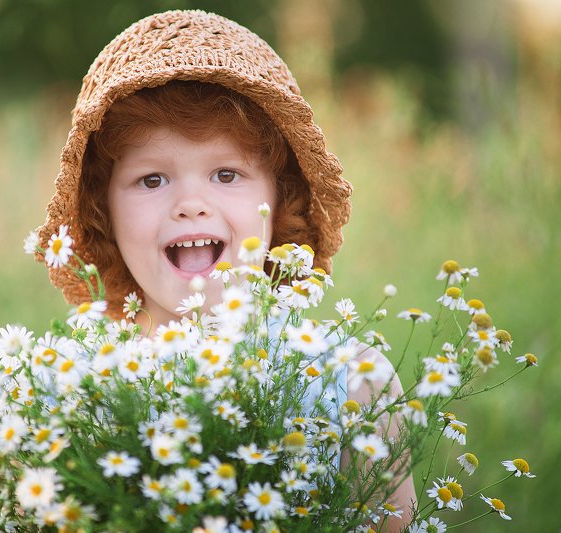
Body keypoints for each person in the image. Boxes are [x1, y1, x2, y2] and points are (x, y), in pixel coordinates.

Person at [36, 10, 414, 530]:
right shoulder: (70, 392)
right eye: (151, 180)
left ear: (279, 201)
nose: (191, 204)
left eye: (226, 173)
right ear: (104, 213)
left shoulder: (353, 383)